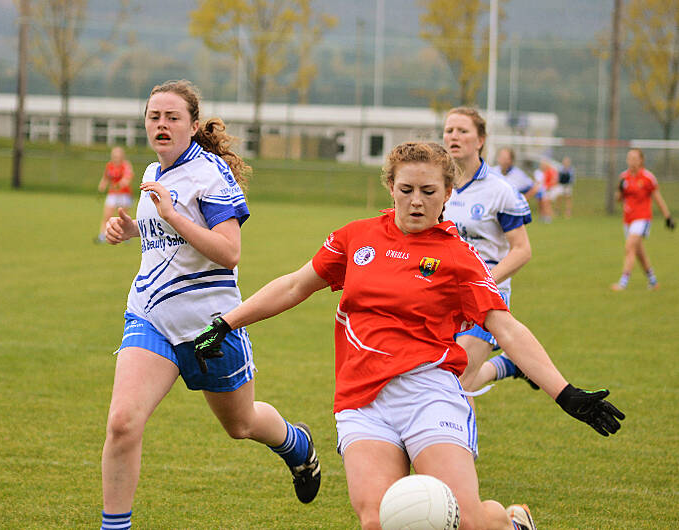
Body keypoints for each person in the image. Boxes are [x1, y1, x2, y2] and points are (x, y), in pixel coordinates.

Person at [194, 141, 625, 530]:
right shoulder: (355, 238)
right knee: (379, 520)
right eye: (406, 190)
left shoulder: (460, 258)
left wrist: (564, 393)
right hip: (362, 400)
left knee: (468, 520)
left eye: (428, 192)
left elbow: (505, 327)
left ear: (447, 195)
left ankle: (511, 523)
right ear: (391, 187)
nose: (416, 201)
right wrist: (228, 322)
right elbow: (294, 285)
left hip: (429, 393)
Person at [99, 80, 320, 530]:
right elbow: (168, 238)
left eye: (172, 117)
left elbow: (228, 251)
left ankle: (296, 444)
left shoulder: (210, 173)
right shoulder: (151, 171)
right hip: (150, 316)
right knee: (122, 422)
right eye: (154, 116)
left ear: (193, 125)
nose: (161, 124)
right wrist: (133, 231)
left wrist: (173, 216)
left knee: (241, 425)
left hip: (209, 329)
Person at [443, 108, 535, 393]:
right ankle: (507, 365)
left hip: (486, 296)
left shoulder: (500, 190)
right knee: (448, 382)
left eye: (463, 131)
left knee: (455, 380)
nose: (454, 136)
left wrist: (483, 282)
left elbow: (522, 250)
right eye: (449, 130)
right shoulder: (436, 186)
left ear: (480, 139)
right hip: (444, 294)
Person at [611, 148, 674, 291]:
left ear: (641, 160)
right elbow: (618, 199)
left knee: (629, 247)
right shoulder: (624, 177)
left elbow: (657, 198)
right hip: (628, 219)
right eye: (629, 158)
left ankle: (623, 282)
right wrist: (620, 191)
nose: (631, 161)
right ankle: (652, 280)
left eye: (634, 158)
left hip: (643, 218)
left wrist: (667, 216)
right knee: (639, 252)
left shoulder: (647, 178)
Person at [95, 146, 134, 243]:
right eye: (114, 155)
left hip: (124, 194)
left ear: (122, 156)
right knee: (107, 216)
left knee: (124, 218)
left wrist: (118, 185)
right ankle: (102, 235)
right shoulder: (109, 165)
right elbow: (106, 178)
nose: (116, 157)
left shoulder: (126, 165)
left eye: (118, 155)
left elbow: (127, 179)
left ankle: (126, 236)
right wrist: (102, 186)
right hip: (112, 194)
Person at [533, 159, 557, 223]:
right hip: (543, 189)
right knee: (542, 204)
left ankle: (548, 217)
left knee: (546, 203)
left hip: (547, 190)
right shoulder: (541, 172)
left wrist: (548, 187)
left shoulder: (549, 171)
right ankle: (543, 216)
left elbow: (552, 180)